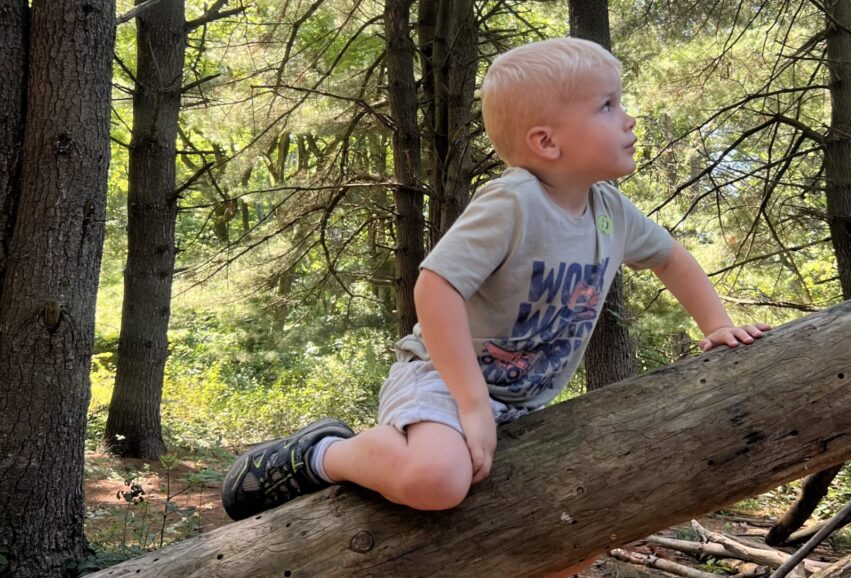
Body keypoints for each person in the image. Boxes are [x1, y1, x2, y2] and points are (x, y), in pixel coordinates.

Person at [221, 37, 769, 576]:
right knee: (436, 481)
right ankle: (320, 453)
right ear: (547, 142)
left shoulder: (610, 211)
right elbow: (435, 286)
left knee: (566, 529)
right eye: (608, 105)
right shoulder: (514, 201)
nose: (628, 119)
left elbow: (671, 258)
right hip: (443, 379)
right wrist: (471, 401)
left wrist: (717, 325)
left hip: (522, 403)